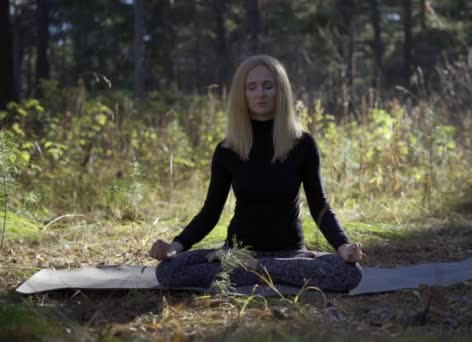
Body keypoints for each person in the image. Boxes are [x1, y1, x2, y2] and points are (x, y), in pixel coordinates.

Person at [149, 55, 366, 292]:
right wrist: (175, 246)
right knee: (169, 271)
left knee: (348, 273)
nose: (259, 93)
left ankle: (258, 271)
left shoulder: (302, 144)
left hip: (291, 255)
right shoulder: (227, 149)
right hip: (237, 254)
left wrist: (343, 247)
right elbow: (210, 211)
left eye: (268, 86)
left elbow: (319, 205)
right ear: (241, 94)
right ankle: (265, 273)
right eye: (251, 87)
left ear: (280, 90)